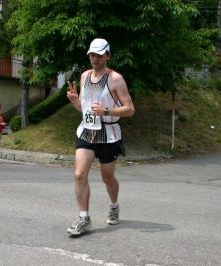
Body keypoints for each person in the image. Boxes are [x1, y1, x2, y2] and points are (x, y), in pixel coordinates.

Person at [66, 38, 135, 235]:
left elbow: (130, 110)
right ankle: (84, 218)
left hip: (109, 134)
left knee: (107, 177)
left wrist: (106, 111)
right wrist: (74, 102)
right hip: (87, 131)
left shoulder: (115, 79)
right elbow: (84, 109)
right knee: (80, 174)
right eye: (92, 54)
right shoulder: (84, 76)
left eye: (99, 55)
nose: (94, 58)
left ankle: (114, 206)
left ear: (108, 56)